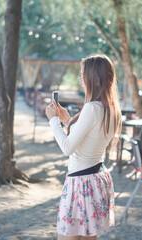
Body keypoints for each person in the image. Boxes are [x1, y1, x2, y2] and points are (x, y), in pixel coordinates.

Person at [45, 54, 122, 240]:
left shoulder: (92, 108)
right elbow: (90, 138)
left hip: (80, 184)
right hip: (96, 181)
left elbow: (67, 148)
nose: (81, 81)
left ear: (92, 78)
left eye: (82, 76)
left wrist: (53, 120)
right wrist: (68, 120)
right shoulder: (112, 109)